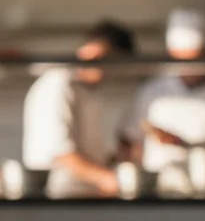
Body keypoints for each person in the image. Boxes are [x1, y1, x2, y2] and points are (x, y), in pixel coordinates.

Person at [117, 9, 205, 194]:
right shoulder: (152, 93)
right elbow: (129, 138)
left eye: (195, 59)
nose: (188, 68)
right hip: (160, 192)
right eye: (181, 59)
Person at [23, 20, 135, 198]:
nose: (111, 73)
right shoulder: (58, 83)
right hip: (60, 195)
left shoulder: (92, 92)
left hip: (87, 195)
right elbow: (61, 153)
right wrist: (107, 178)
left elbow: (93, 150)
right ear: (96, 52)